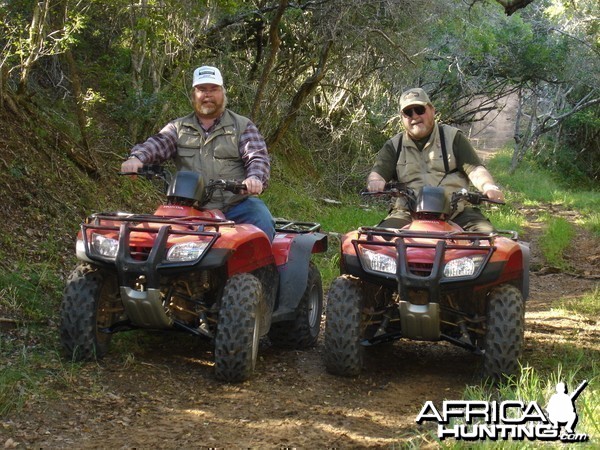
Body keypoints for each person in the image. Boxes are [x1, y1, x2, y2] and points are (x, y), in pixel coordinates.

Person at [120, 65, 275, 240]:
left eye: (214, 89)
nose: (207, 94)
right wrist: (137, 158)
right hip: (188, 209)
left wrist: (254, 178)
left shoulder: (242, 126)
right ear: (194, 95)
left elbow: (257, 157)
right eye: (202, 89)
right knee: (150, 238)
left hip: (236, 207)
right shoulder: (178, 128)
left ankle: (263, 269)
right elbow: (157, 143)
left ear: (223, 93)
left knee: (262, 221)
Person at [366, 87, 504, 233]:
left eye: (419, 109)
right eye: (408, 112)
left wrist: (488, 186)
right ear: (402, 117)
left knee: (488, 240)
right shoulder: (394, 145)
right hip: (408, 213)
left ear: (432, 110)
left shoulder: (453, 138)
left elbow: (475, 170)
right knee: (378, 242)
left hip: (456, 212)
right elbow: (378, 173)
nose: (414, 116)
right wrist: (375, 182)